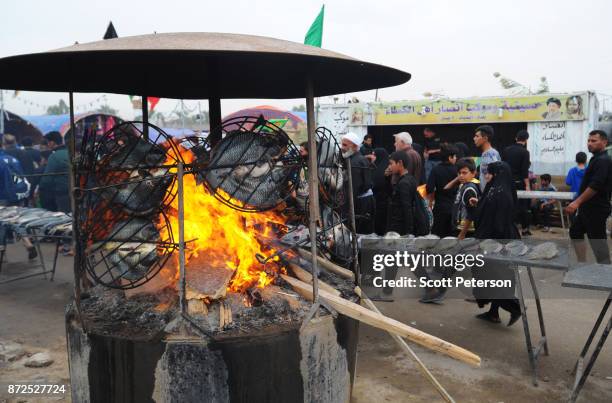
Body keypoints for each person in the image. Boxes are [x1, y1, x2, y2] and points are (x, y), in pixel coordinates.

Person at [386, 151, 443, 303]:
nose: (390, 166)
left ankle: (386, 293)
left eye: (392, 163)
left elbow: (406, 210)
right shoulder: (409, 179)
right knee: (409, 260)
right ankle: (431, 289)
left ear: (400, 163)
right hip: (403, 230)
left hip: (401, 230)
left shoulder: (404, 183)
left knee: (394, 260)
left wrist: (408, 233)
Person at [473, 161, 522, 326]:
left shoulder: (500, 194)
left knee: (495, 277)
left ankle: (514, 307)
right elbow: (486, 210)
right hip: (494, 238)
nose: (486, 176)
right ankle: (493, 313)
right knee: (497, 277)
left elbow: (498, 222)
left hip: (497, 240)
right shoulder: (495, 190)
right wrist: (478, 204)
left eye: (490, 173)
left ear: (498, 174)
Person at [565, 130, 612, 264]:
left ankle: (604, 270)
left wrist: (576, 202)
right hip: (588, 208)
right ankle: (581, 263)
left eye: (594, 141)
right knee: (575, 231)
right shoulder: (595, 159)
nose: (589, 143)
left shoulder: (603, 160)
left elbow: (595, 186)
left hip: (596, 209)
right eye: (588, 141)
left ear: (604, 142)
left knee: (598, 243)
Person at [0, 147, 37, 259]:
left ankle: (1, 248)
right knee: (14, 219)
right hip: (17, 194)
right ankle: (27, 242)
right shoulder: (13, 159)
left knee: (2, 221)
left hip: (3, 195)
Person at [340, 132, 375, 234]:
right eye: (342, 144)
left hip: (361, 204)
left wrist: (346, 208)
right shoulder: (356, 158)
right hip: (364, 201)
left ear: (355, 146)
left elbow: (354, 188)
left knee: (358, 234)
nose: (342, 147)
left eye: (345, 145)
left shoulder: (355, 161)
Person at [501, 130, 531, 236]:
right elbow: (524, 171)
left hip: (506, 182)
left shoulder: (506, 150)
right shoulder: (525, 152)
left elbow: (502, 166)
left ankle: (508, 227)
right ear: (526, 140)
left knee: (508, 204)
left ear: (516, 138)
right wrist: (527, 185)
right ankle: (524, 229)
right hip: (518, 183)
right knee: (522, 206)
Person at [426, 144, 458, 238]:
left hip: (439, 208)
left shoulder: (436, 169)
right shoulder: (458, 170)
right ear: (450, 157)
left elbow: (429, 188)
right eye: (455, 156)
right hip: (454, 207)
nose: (456, 158)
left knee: (438, 237)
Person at [451, 158, 481, 240]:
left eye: (464, 173)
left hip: (466, 231)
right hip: (462, 227)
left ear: (473, 173)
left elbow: (471, 213)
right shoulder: (463, 185)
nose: (461, 175)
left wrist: (462, 234)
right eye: (459, 173)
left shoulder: (469, 189)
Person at [473, 125, 500, 191]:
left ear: (485, 138)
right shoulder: (486, 153)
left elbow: (493, 176)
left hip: (489, 195)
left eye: (477, 136)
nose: (474, 138)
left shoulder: (490, 154)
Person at [371, 148, 391, 235]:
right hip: (379, 200)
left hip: (382, 200)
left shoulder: (385, 169)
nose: (372, 157)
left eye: (374, 155)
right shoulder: (377, 166)